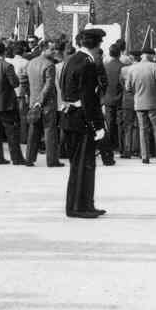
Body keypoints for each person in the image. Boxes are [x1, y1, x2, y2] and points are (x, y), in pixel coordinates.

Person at [58, 28, 107, 218]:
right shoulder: (88, 64)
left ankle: (83, 204)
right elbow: (88, 99)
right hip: (82, 120)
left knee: (78, 165)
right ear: (97, 44)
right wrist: (97, 126)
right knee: (84, 165)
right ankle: (79, 207)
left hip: (71, 117)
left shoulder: (71, 60)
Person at [125, 47, 156, 164]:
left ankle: (145, 156)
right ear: (151, 55)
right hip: (154, 103)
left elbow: (128, 88)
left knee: (142, 130)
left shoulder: (132, 68)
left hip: (139, 103)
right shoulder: (155, 67)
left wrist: (137, 93)